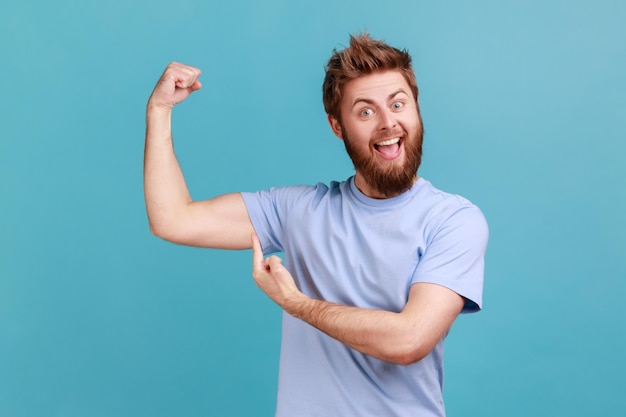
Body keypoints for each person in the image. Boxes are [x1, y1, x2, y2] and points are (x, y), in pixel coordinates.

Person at [144, 33, 488, 417]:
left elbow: (409, 340)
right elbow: (173, 219)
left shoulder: (453, 221)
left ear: (416, 109)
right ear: (337, 126)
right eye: (365, 111)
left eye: (397, 103)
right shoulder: (299, 210)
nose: (388, 123)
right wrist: (159, 111)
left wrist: (296, 304)